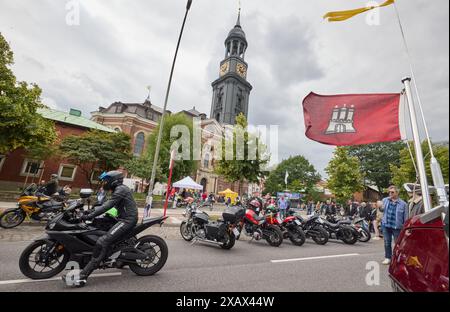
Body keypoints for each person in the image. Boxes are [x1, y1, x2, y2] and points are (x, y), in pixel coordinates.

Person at [62, 171, 138, 287]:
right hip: (121, 218)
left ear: (114, 181)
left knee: (103, 241)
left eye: (106, 181)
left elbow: (108, 206)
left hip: (127, 220)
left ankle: (82, 277)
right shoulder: (117, 189)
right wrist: (88, 211)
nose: (104, 183)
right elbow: (103, 204)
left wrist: (88, 216)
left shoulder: (121, 190)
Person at [381, 185, 408, 265]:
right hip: (386, 225)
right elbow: (381, 209)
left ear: (397, 193)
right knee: (387, 242)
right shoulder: (385, 200)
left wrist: (405, 228)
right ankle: (388, 257)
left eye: (392, 192)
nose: (390, 193)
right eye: (389, 192)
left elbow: (406, 217)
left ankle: (397, 258)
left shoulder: (403, 204)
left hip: (397, 226)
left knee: (397, 243)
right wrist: (379, 207)